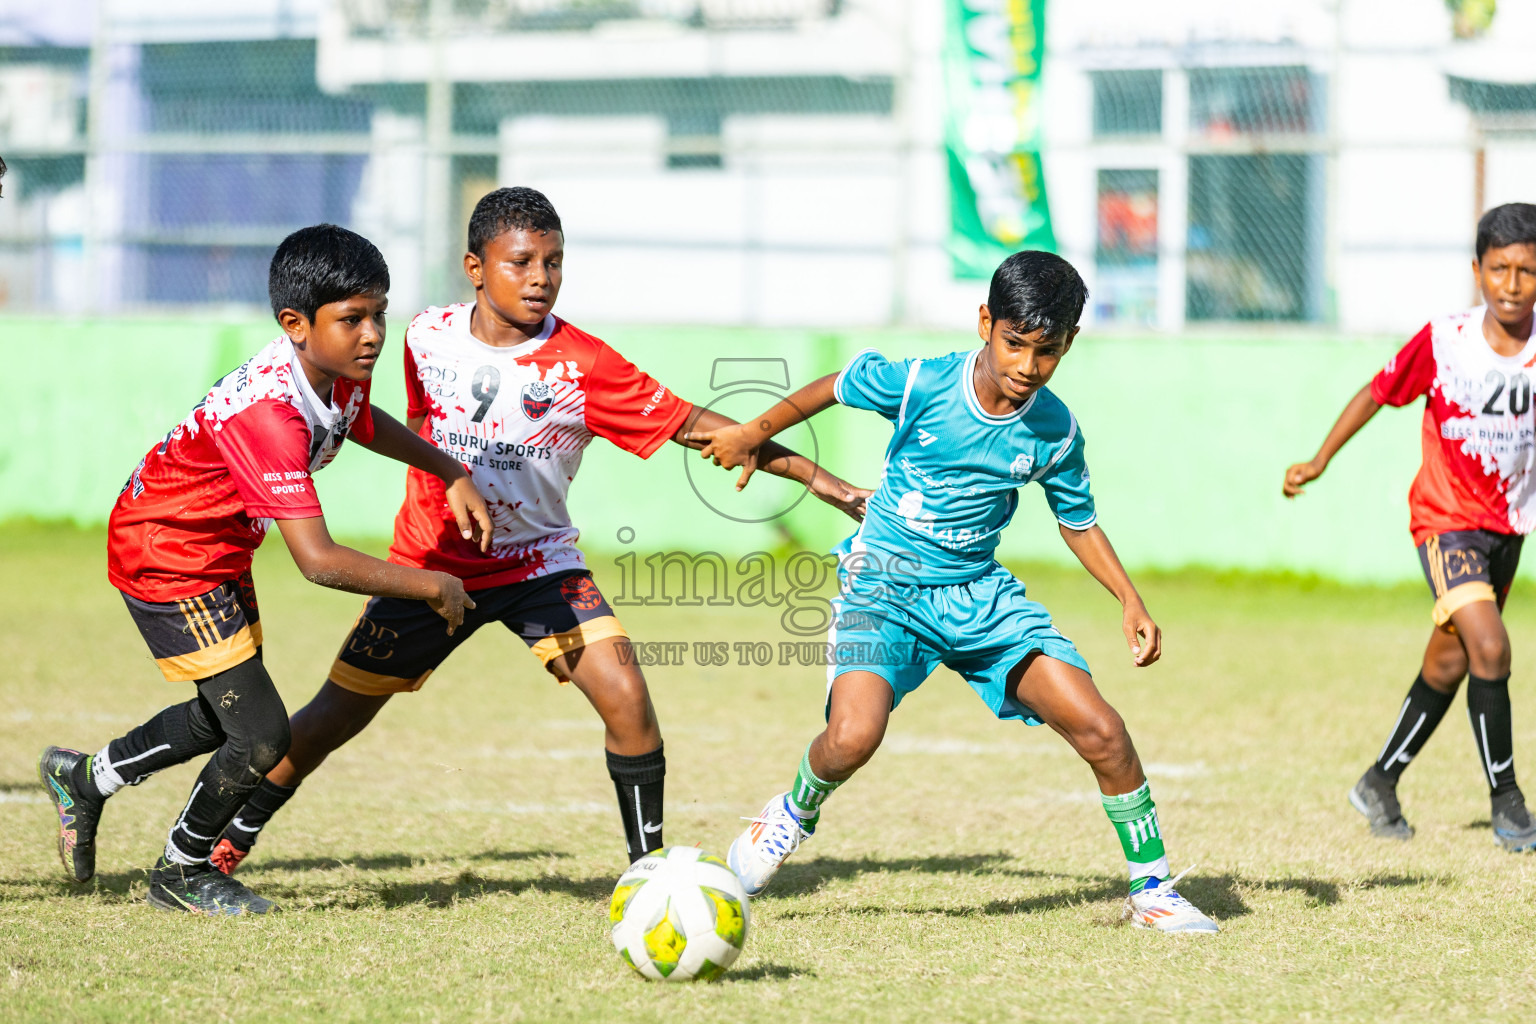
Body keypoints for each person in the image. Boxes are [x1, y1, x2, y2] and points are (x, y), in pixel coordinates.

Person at [209, 187, 866, 874]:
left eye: (553, 263)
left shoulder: (584, 365)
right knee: (332, 717)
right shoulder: (424, 336)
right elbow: (404, 424)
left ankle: (648, 872)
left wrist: (824, 483)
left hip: (537, 565)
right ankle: (231, 840)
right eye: (520, 262)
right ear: (475, 267)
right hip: (432, 564)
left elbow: (700, 428)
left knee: (626, 696)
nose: (540, 278)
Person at [688, 250, 1220, 934]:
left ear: (1069, 343)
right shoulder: (923, 383)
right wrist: (751, 432)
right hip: (884, 586)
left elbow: (1078, 521)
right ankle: (790, 813)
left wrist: (1129, 598)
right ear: (985, 323)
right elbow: (837, 384)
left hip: (979, 596)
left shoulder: (1055, 431)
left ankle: (1152, 891)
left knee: (1104, 731)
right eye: (1015, 343)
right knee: (851, 737)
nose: (1028, 365)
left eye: (1048, 351)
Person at [38, 224, 492, 915]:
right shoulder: (270, 415)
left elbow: (360, 421)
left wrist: (447, 467)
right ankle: (181, 872)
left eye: (379, 314)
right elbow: (318, 560)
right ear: (295, 325)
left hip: (219, 549)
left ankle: (85, 779)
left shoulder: (335, 370)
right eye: (353, 319)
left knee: (225, 717)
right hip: (169, 552)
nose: (373, 334)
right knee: (260, 734)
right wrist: (432, 583)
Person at [1284, 202, 1536, 851]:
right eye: (1499, 269)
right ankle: (1509, 803)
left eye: (1527, 271)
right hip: (1445, 523)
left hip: (1508, 527)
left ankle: (1380, 781)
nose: (1511, 284)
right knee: (1492, 648)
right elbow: (1378, 391)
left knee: (1452, 660)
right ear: (1477, 271)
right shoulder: (1446, 341)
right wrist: (1320, 458)